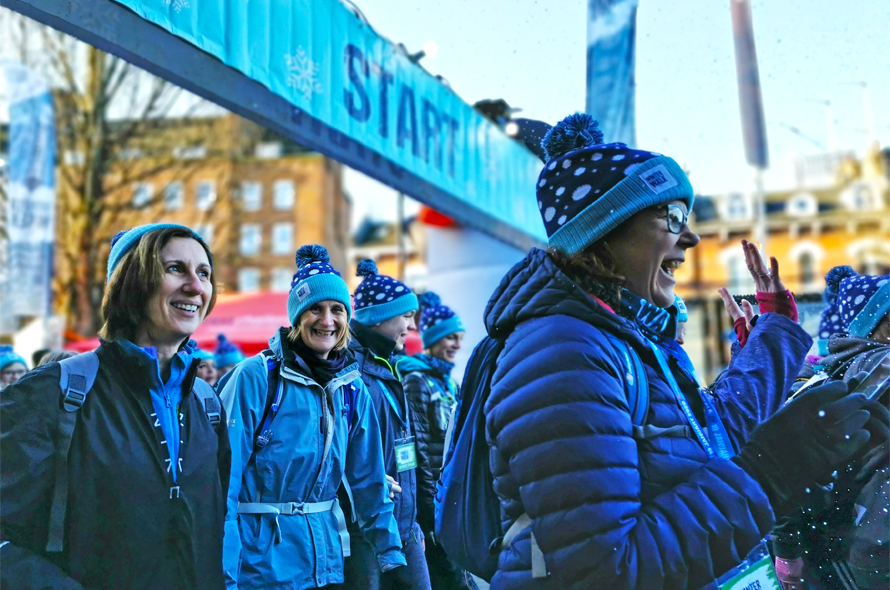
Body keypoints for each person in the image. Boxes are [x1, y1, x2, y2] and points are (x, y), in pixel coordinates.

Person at [478, 113, 888, 589]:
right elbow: (604, 572)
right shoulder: (563, 353)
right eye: (672, 217)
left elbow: (714, 433)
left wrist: (778, 341)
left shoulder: (632, 343)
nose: (691, 238)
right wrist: (770, 471)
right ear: (605, 231)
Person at [0, 223, 231, 590]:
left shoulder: (207, 403)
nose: (196, 286)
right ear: (132, 282)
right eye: (175, 269)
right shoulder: (56, 391)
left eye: (204, 273)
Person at [219, 245, 407, 589]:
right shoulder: (256, 378)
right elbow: (223, 486)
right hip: (259, 567)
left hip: (325, 563)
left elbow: (369, 478)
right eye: (315, 309)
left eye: (337, 309)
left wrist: (390, 552)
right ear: (296, 317)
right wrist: (225, 575)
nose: (327, 320)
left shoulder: (352, 388)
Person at [771, 268, 890, 590]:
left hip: (854, 543)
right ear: (881, 322)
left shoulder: (835, 372)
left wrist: (787, 548)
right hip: (876, 551)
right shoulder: (877, 367)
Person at [340, 259, 430, 590]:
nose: (412, 325)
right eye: (406, 316)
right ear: (378, 318)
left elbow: (408, 449)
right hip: (368, 531)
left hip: (405, 524)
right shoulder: (353, 373)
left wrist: (418, 518)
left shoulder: (389, 367)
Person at [398, 292, 477, 590]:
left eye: (459, 337)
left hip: (451, 494)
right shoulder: (416, 380)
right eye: (450, 338)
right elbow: (417, 447)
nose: (456, 344)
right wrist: (431, 506)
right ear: (432, 339)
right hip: (431, 500)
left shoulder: (450, 383)